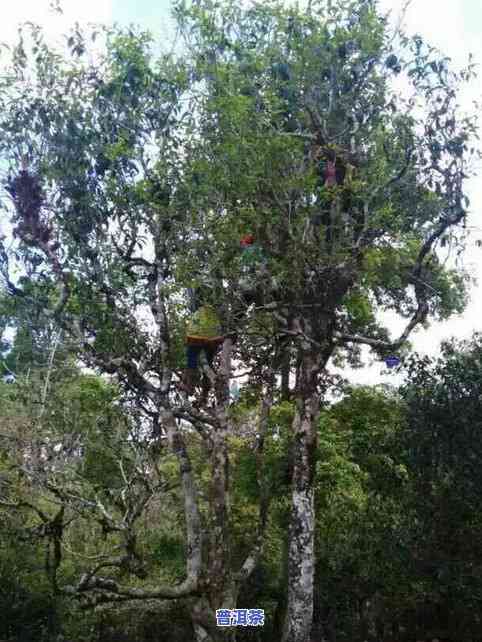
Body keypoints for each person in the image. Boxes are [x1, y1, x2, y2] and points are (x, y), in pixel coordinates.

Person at [183, 304, 224, 395]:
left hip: (201, 330)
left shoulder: (200, 303)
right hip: (214, 332)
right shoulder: (218, 304)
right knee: (208, 361)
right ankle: (205, 389)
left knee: (192, 355)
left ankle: (192, 385)